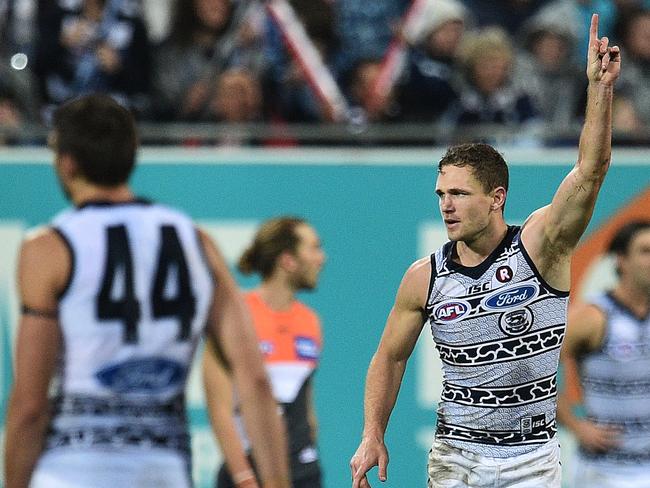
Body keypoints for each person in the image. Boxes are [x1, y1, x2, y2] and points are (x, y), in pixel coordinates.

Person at [350, 14, 620, 488]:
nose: (447, 206)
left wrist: (599, 89)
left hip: (531, 461)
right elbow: (390, 357)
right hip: (456, 458)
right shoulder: (425, 276)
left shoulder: (541, 246)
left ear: (496, 198)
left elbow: (590, 171)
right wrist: (373, 433)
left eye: (460, 194)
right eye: (441, 195)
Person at [3, 94, 290, 488]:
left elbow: (30, 406)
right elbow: (254, 381)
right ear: (132, 154)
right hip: (163, 470)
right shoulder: (195, 242)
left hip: (73, 468)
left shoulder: (49, 249)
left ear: (66, 164)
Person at [203, 216, 326, 488]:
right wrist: (244, 477)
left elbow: (306, 405)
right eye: (314, 248)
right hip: (249, 474)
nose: (322, 258)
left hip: (303, 473)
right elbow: (219, 409)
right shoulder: (235, 315)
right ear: (288, 260)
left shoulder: (310, 321)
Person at [557, 220, 650, 487]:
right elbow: (535, 371)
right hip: (605, 472)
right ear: (620, 259)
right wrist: (576, 427)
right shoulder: (594, 316)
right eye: (644, 251)